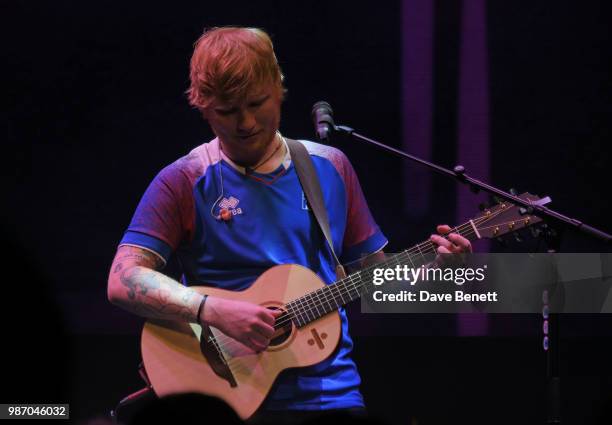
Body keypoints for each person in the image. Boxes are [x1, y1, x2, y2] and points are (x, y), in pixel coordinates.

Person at [106, 26, 471, 423]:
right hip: (226, 403)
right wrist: (214, 310)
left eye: (257, 103)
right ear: (203, 106)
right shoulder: (184, 179)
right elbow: (123, 279)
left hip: (332, 396)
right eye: (228, 111)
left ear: (278, 87)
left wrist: (436, 270)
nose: (245, 122)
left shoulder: (329, 167)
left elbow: (376, 281)